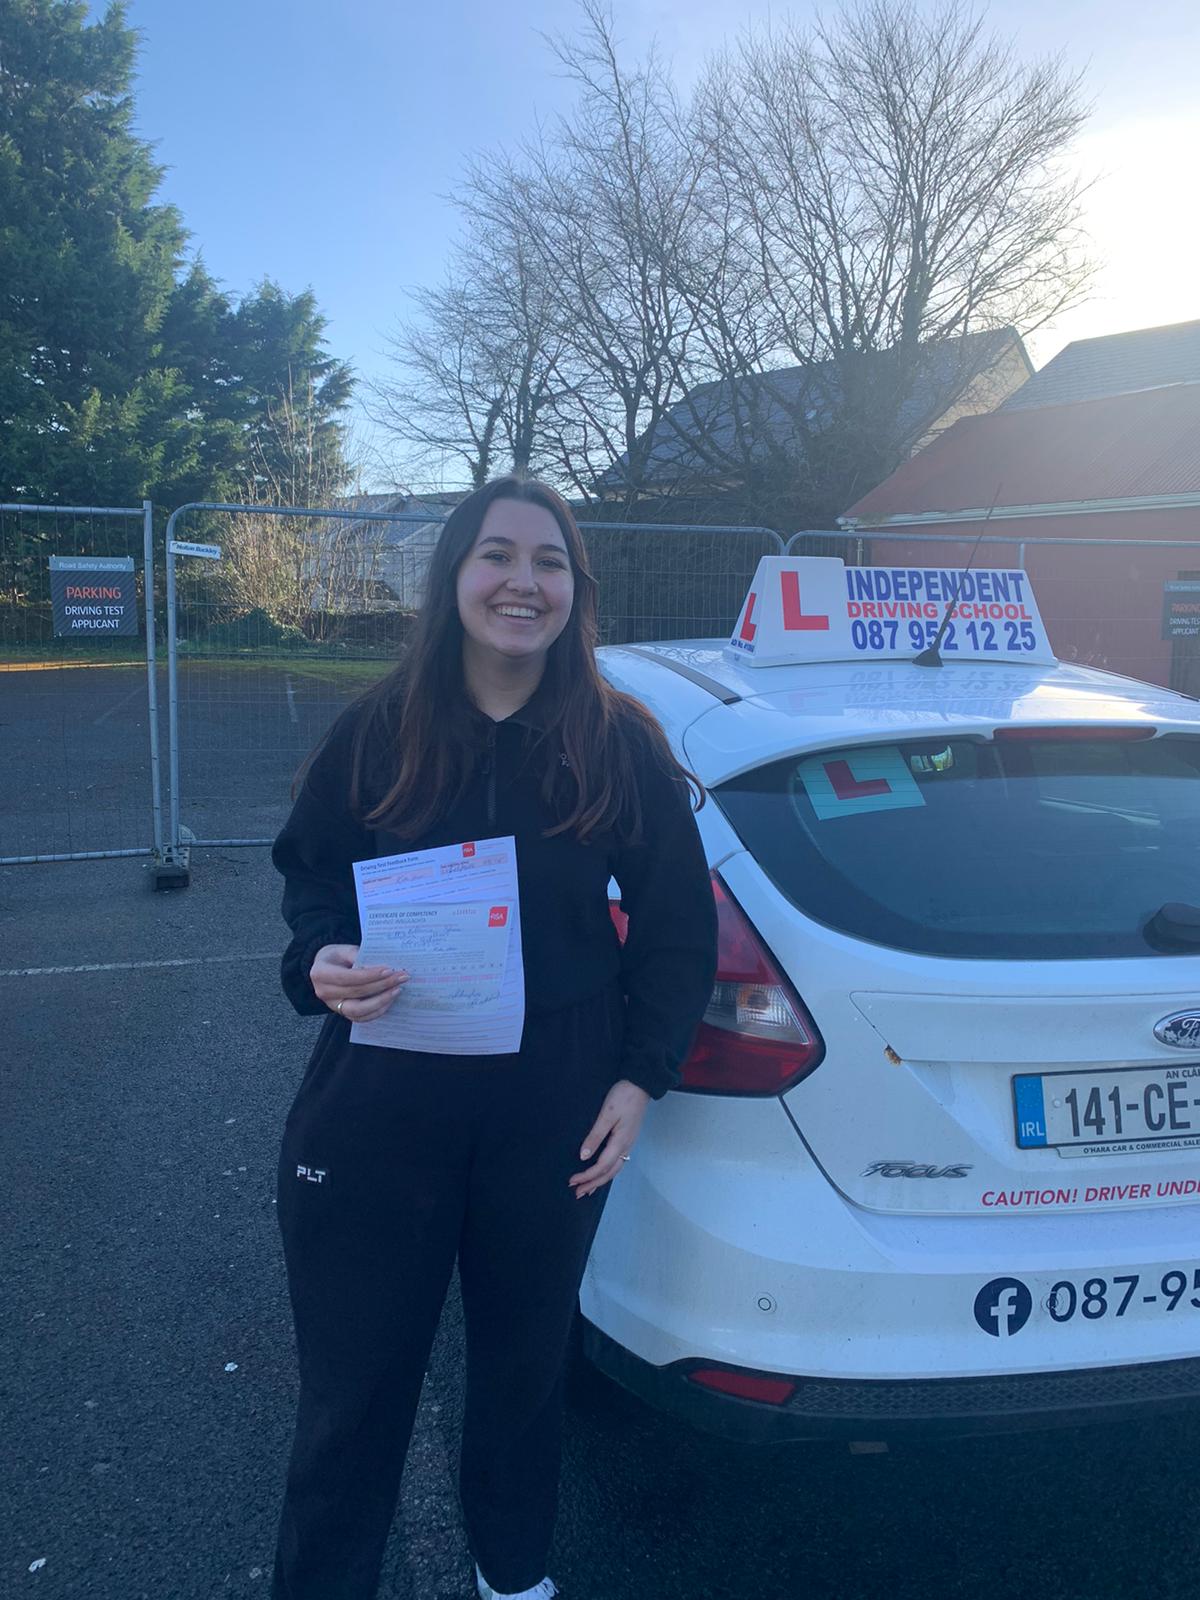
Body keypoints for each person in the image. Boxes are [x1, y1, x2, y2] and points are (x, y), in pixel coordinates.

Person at [269, 475, 718, 1600]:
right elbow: (311, 877)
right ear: (454, 577)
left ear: (577, 588)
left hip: (551, 1110)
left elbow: (676, 928)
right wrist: (316, 962)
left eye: (551, 560)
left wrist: (640, 1078)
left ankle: (512, 1575)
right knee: (355, 1391)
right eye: (498, 555)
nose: (525, 581)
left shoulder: (617, 742)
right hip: (381, 1110)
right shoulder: (377, 730)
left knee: (521, 1380)